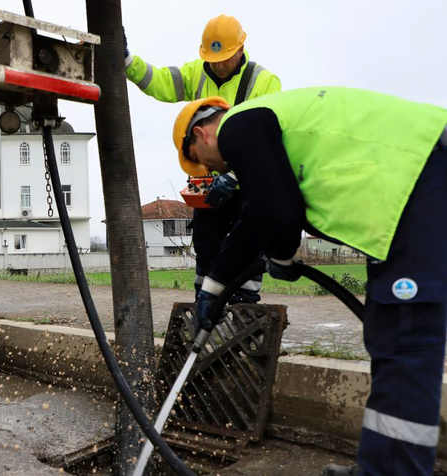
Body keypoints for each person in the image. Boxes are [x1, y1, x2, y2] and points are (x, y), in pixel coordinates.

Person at [174, 88, 447, 476]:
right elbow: (255, 218)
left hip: (421, 177)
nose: (209, 170)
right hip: (408, 189)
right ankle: (382, 465)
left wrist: (282, 254)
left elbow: (279, 214)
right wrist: (212, 290)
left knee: (406, 338)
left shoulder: (238, 125)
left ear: (201, 135)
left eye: (200, 161)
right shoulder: (272, 129)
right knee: (391, 335)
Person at [124, 14, 281, 302]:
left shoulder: (264, 82)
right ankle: (205, 300)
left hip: (246, 184)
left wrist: (232, 176)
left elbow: (265, 141)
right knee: (207, 246)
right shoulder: (197, 73)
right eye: (212, 59)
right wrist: (127, 60)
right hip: (207, 185)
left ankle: (243, 304)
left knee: (246, 246)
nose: (217, 65)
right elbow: (160, 81)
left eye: (224, 59)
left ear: (240, 49)